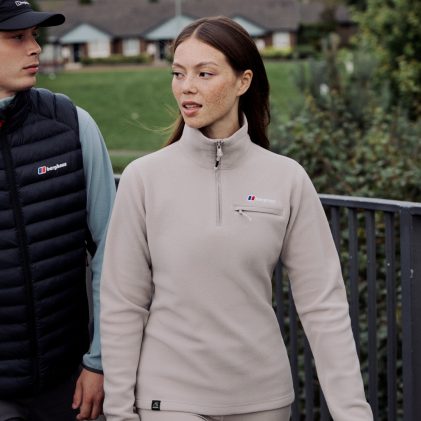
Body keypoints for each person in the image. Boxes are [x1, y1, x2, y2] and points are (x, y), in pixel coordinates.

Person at [100, 16, 373, 421]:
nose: (186, 86)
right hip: (168, 398)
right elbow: (123, 304)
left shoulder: (287, 178)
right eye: (178, 73)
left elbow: (323, 306)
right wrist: (120, 412)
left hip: (263, 400)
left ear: (243, 81)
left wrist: (353, 414)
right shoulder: (144, 178)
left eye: (204, 73)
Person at [0, 1, 115, 420]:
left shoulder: (72, 124)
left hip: (67, 383)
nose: (35, 48)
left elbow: (112, 251)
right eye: (17, 37)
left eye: (33, 36)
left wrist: (98, 361)